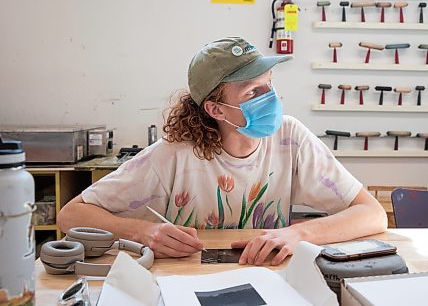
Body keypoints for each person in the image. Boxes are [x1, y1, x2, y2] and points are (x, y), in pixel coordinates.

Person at [58, 36, 387, 266]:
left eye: (269, 84)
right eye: (253, 91)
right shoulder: (172, 155)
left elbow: (372, 214)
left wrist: (299, 233)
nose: (270, 97)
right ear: (216, 110)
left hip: (268, 275)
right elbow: (70, 215)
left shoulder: (292, 138)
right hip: (190, 278)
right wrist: (144, 231)